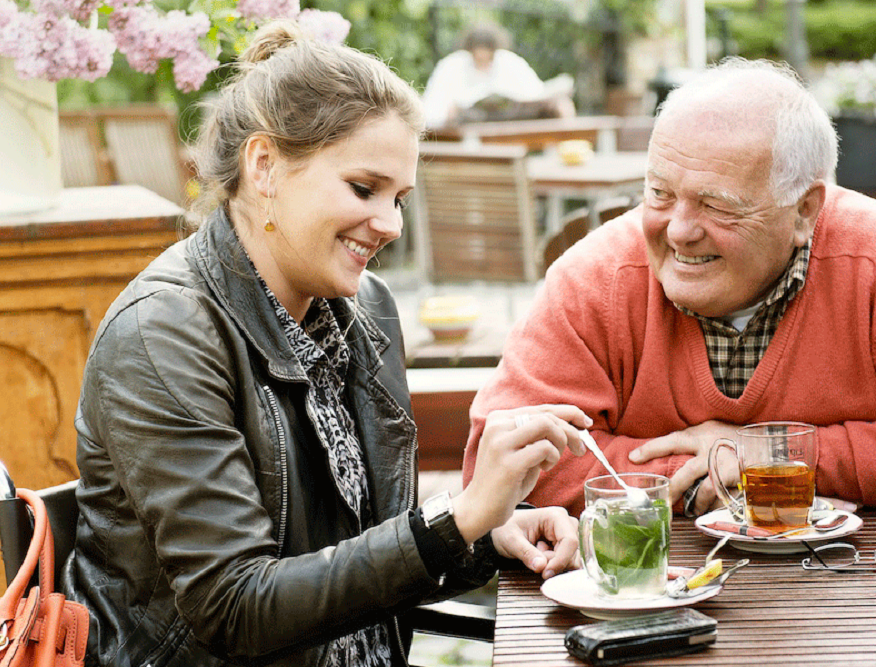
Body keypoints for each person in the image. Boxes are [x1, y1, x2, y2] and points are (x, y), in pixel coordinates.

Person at [61, 19, 593, 667]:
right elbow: (235, 608)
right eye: (364, 189)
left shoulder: (363, 309)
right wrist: (456, 517)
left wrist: (486, 531)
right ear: (264, 167)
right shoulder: (164, 333)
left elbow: (361, 553)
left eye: (399, 199)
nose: (391, 224)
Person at [462, 57, 876, 521]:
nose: (678, 231)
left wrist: (769, 454)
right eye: (659, 193)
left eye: (716, 205)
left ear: (803, 211)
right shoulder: (597, 276)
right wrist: (700, 472)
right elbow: (497, 462)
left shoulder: (869, 260)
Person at [422, 22, 574, 129]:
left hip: (511, 119)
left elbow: (535, 91)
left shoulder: (509, 62)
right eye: (478, 58)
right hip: (469, 121)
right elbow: (434, 104)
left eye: (487, 58)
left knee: (562, 104)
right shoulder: (453, 65)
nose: (483, 63)